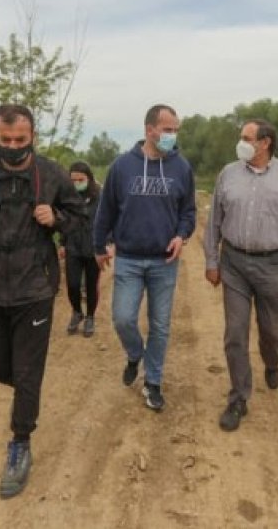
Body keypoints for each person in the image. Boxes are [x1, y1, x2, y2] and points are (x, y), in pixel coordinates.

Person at [0, 104, 86, 499]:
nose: (13, 146)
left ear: (33, 136)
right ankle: (25, 390)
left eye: (21, 140)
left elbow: (79, 216)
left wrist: (57, 220)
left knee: (27, 373)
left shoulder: (51, 174)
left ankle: (20, 443)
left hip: (35, 288)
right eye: (5, 139)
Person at [204, 119, 278, 431]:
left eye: (246, 137)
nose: (240, 142)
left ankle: (272, 360)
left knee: (273, 330)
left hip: (272, 263)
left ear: (265, 142)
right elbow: (214, 220)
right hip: (234, 263)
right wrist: (211, 260)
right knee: (235, 332)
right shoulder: (228, 174)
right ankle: (238, 398)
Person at [93, 104, 196, 412]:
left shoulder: (182, 167)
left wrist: (182, 234)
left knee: (160, 325)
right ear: (149, 129)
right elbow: (106, 210)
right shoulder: (122, 166)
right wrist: (99, 246)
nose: (172, 135)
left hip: (165, 261)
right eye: (168, 129)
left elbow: (188, 211)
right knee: (123, 318)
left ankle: (152, 382)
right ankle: (135, 353)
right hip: (129, 258)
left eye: (176, 130)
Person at [58, 161, 102, 337]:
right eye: (73, 180)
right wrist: (62, 243)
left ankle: (90, 317)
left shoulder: (100, 196)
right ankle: (77, 312)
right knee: (73, 284)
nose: (77, 183)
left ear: (89, 178)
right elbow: (63, 220)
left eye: (80, 179)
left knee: (91, 285)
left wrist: (107, 242)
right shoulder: (67, 197)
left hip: (93, 247)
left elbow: (107, 219)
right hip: (73, 246)